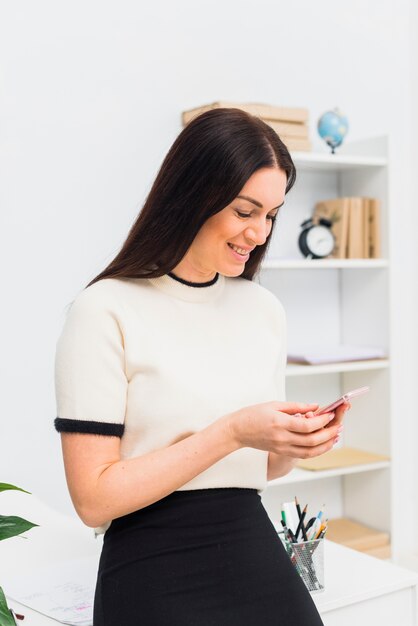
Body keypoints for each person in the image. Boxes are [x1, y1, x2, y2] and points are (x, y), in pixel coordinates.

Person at [54, 107, 349, 625]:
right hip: (150, 559)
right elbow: (94, 500)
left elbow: (261, 470)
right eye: (244, 211)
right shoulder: (103, 310)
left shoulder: (262, 311)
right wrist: (233, 432)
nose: (259, 232)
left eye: (272, 215)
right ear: (193, 194)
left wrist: (295, 445)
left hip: (249, 542)